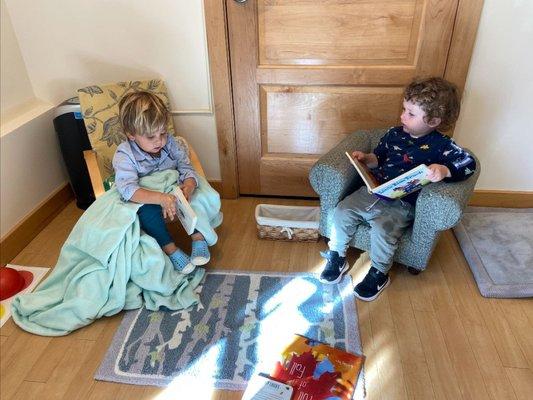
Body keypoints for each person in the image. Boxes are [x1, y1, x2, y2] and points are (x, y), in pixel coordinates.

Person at [319, 77, 477, 301]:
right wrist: (366, 159)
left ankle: (379, 272)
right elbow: (378, 159)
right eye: (404, 109)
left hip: (402, 203)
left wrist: (444, 169)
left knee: (383, 230)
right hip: (374, 191)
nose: (402, 116)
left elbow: (469, 163)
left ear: (433, 120)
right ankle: (336, 255)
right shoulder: (394, 134)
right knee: (341, 212)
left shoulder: (443, 145)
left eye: (411, 114)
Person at [113, 91, 212, 274]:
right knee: (145, 212)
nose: (159, 141)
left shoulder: (170, 143)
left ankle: (198, 237)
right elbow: (128, 189)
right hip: (147, 193)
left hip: (173, 186)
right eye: (151, 137)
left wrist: (188, 186)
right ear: (131, 134)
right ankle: (171, 249)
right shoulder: (125, 154)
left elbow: (186, 167)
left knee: (198, 195)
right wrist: (159, 198)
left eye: (163, 133)